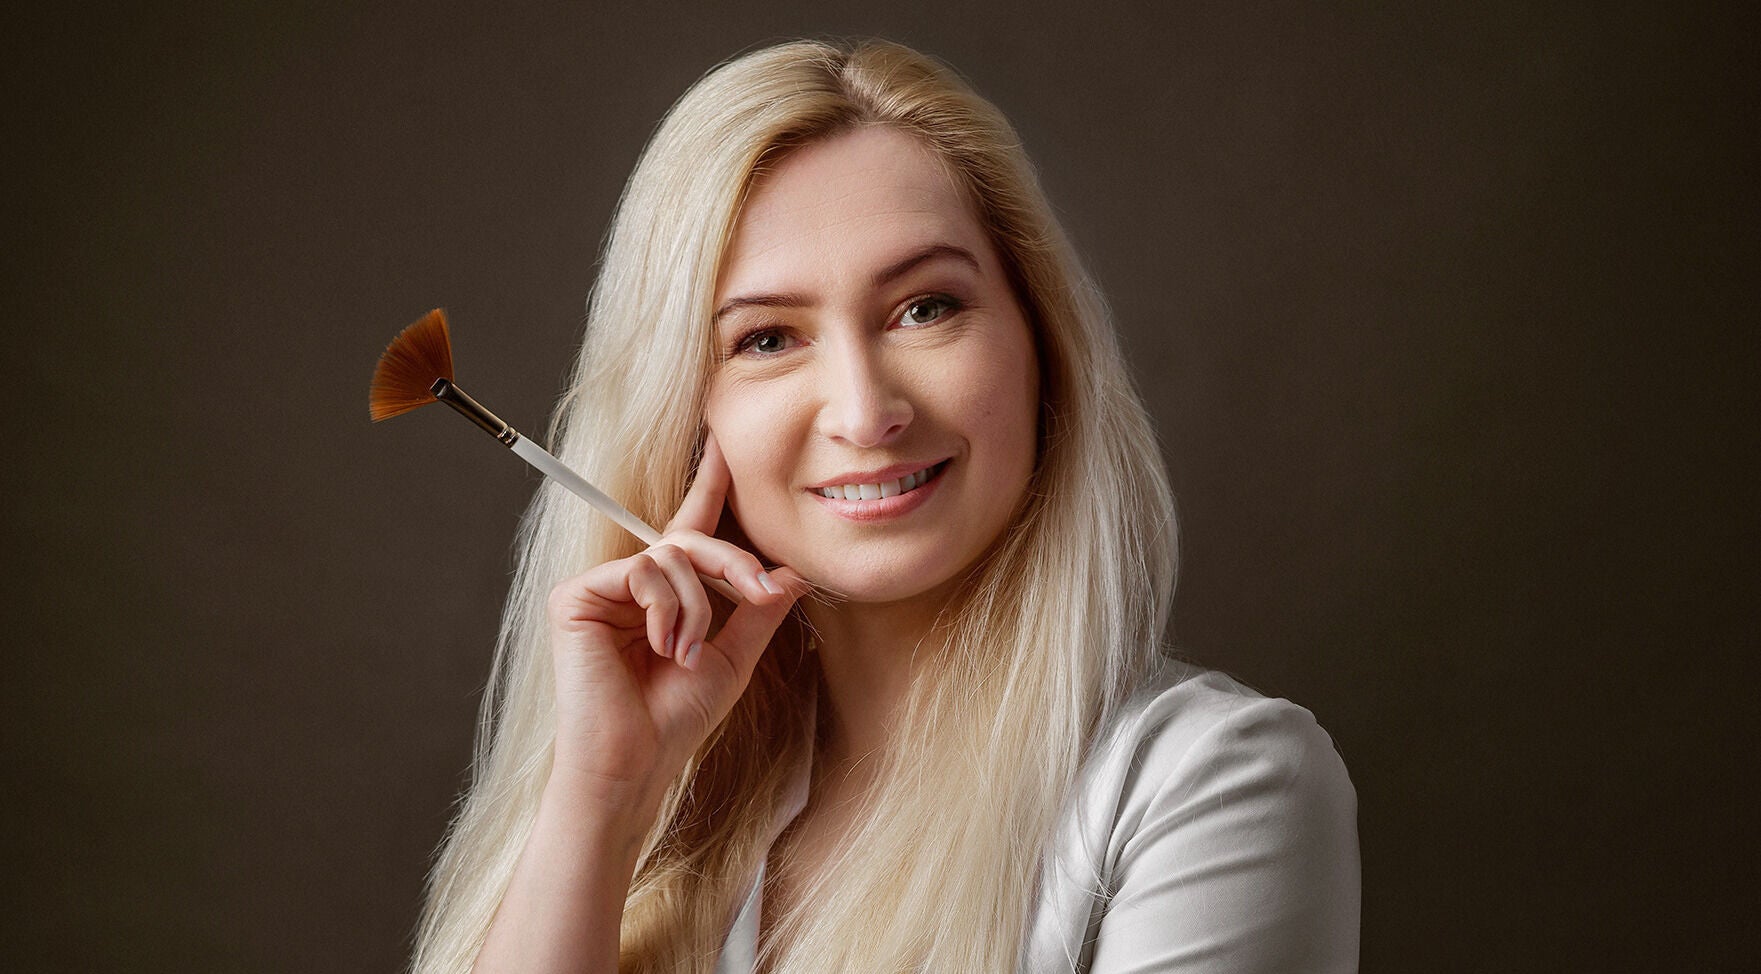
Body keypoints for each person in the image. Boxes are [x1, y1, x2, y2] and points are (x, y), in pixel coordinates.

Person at [410, 39, 1359, 974]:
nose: (866, 414)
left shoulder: (1205, 785)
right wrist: (605, 799)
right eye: (769, 338)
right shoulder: (660, 817)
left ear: (1040, 346)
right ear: (688, 420)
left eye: (926, 309)